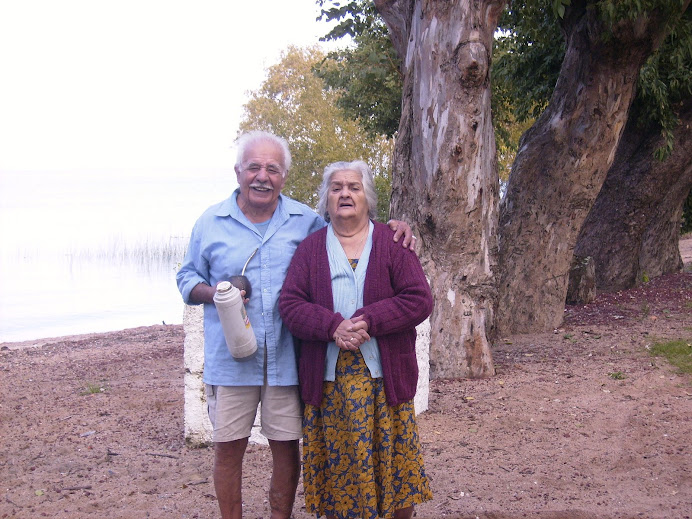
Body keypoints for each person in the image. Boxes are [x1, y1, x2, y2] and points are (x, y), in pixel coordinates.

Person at [176, 132, 415, 519]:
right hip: (232, 358)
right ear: (238, 171)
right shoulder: (211, 221)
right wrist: (217, 291)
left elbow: (351, 226)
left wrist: (397, 227)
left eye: (272, 168)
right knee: (228, 448)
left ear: (283, 176)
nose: (262, 176)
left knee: (286, 449)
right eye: (253, 166)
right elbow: (186, 279)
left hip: (287, 361)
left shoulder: (304, 221)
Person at [278, 160, 434, 519]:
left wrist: (367, 321)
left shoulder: (393, 242)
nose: (345, 193)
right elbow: (290, 304)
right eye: (336, 188)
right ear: (326, 200)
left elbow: (419, 299)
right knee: (338, 470)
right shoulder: (311, 249)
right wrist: (333, 326)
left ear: (367, 199)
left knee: (396, 470)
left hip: (386, 379)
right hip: (330, 384)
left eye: (354, 187)